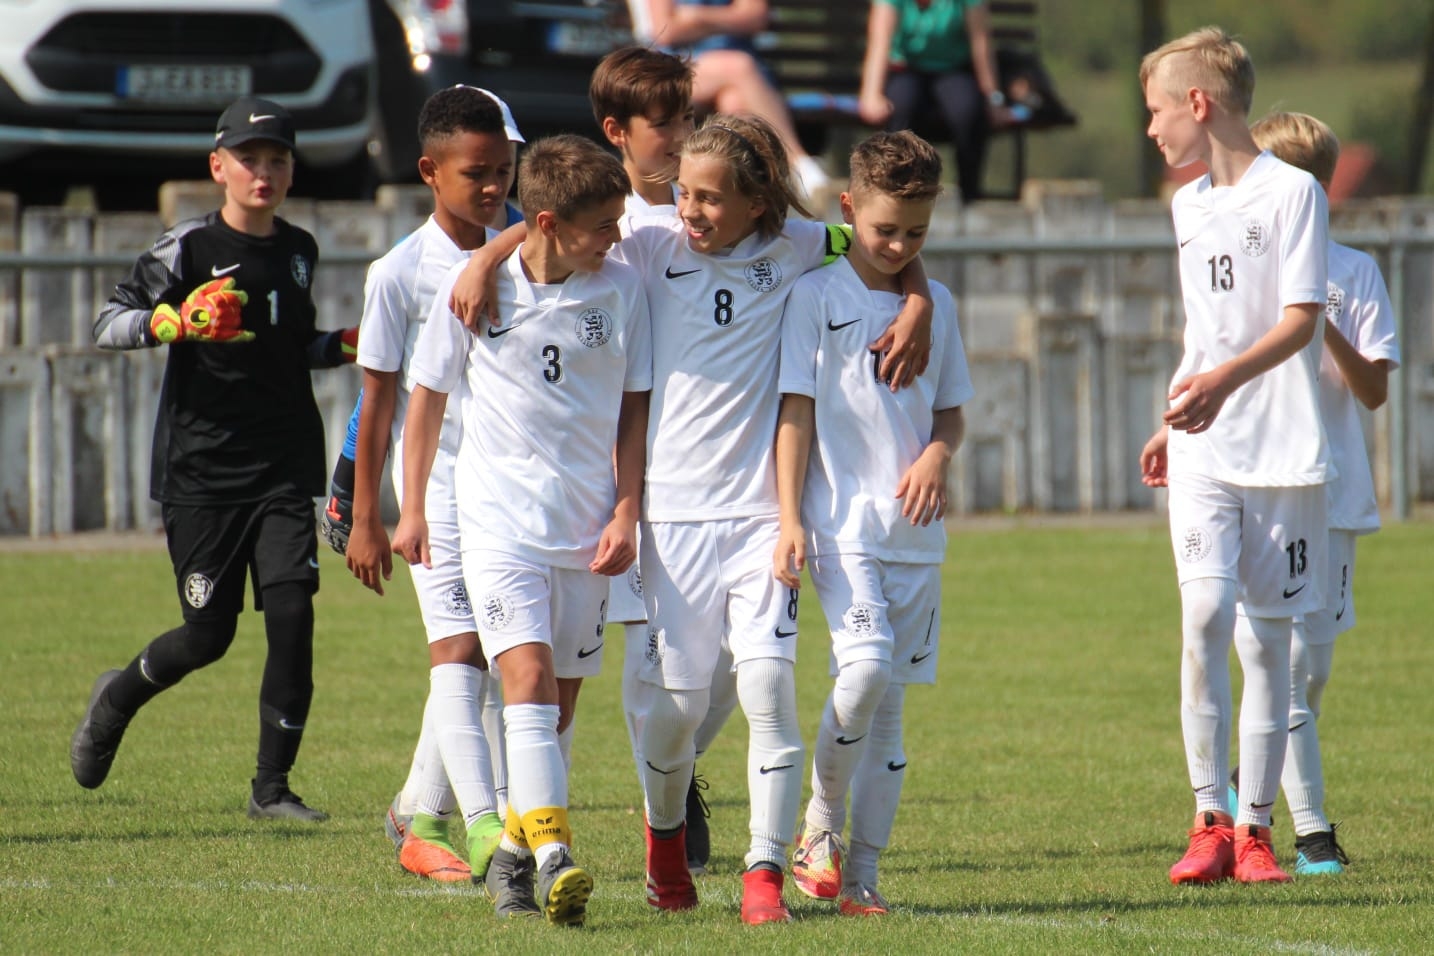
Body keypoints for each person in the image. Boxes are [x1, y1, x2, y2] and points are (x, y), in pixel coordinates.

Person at [443, 112, 935, 925]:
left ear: (757, 203)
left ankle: (763, 876)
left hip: (757, 517)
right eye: (685, 194)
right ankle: (664, 839)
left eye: (710, 199)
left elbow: (887, 244)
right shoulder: (645, 243)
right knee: (667, 720)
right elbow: (551, 232)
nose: (691, 210)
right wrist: (491, 253)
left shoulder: (803, 249)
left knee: (770, 684)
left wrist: (914, 303)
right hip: (667, 524)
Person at [74, 97, 359, 821]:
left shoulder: (299, 250)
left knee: (293, 616)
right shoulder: (189, 248)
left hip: (284, 465)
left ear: (291, 170)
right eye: (249, 159)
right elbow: (107, 322)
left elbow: (293, 348)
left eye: (277, 159)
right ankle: (117, 698)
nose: (263, 172)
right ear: (218, 166)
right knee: (208, 637)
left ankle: (273, 791)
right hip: (202, 472)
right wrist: (172, 320)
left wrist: (345, 346)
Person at [392, 134, 650, 926]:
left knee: (559, 711)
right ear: (547, 220)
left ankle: (512, 857)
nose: (616, 234)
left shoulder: (621, 287)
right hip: (496, 522)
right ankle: (555, 853)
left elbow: (636, 405)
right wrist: (409, 508)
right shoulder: (476, 293)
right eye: (603, 223)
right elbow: (427, 399)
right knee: (526, 687)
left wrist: (627, 506)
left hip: (587, 529)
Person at [1137, 28, 1331, 885]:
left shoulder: (1292, 193)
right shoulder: (1187, 207)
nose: (1150, 130)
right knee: (1204, 618)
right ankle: (1208, 820)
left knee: (1266, 647)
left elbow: (1301, 319)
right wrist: (1175, 405)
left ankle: (1257, 831)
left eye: (1155, 111)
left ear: (1198, 104)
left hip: (1283, 450)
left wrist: (1221, 380)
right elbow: (1202, 331)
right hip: (1204, 443)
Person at [773, 129, 971, 917]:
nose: (899, 245)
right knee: (863, 672)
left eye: (917, 233)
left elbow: (951, 414)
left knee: (889, 724)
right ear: (849, 208)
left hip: (915, 540)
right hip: (840, 526)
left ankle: (861, 881)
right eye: (886, 229)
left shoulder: (939, 303)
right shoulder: (815, 298)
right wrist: (789, 515)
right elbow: (794, 410)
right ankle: (818, 823)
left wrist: (936, 458)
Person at [338, 85, 526, 883]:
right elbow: (378, 400)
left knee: (485, 653)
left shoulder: (529, 248)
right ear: (429, 172)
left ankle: (417, 812)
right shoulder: (400, 273)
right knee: (456, 650)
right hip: (436, 490)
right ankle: (478, 831)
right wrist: (367, 516)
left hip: (511, 489)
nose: (494, 187)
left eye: (504, 170)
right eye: (476, 173)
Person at [1225, 110, 1400, 876]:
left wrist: (1318, 324)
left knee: (1314, 671)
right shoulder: (1242, 265)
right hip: (1265, 485)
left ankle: (1252, 780)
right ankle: (1315, 835)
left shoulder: (1355, 272)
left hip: (1335, 492)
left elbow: (1371, 392)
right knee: (1287, 668)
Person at [589, 43, 734, 876]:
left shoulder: (718, 207)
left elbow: (854, 239)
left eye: (689, 115)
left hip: (723, 477)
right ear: (617, 131)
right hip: (619, 474)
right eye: (665, 121)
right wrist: (494, 255)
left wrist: (920, 288)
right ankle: (662, 814)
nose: (682, 134)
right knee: (635, 655)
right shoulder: (607, 220)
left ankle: (670, 782)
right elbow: (524, 244)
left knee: (736, 669)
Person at [627, 0, 833, 200]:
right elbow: (667, 29)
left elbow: (755, 18)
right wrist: (729, 20)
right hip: (680, 70)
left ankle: (748, 190)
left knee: (734, 101)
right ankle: (797, 162)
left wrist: (697, 18)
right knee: (738, 66)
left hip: (742, 81)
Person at [857, 0, 1007, 204]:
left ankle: (970, 197)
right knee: (901, 108)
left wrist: (994, 98)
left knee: (968, 110)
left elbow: (980, 43)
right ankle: (897, 191)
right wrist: (871, 93)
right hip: (905, 70)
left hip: (952, 70)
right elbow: (879, 43)